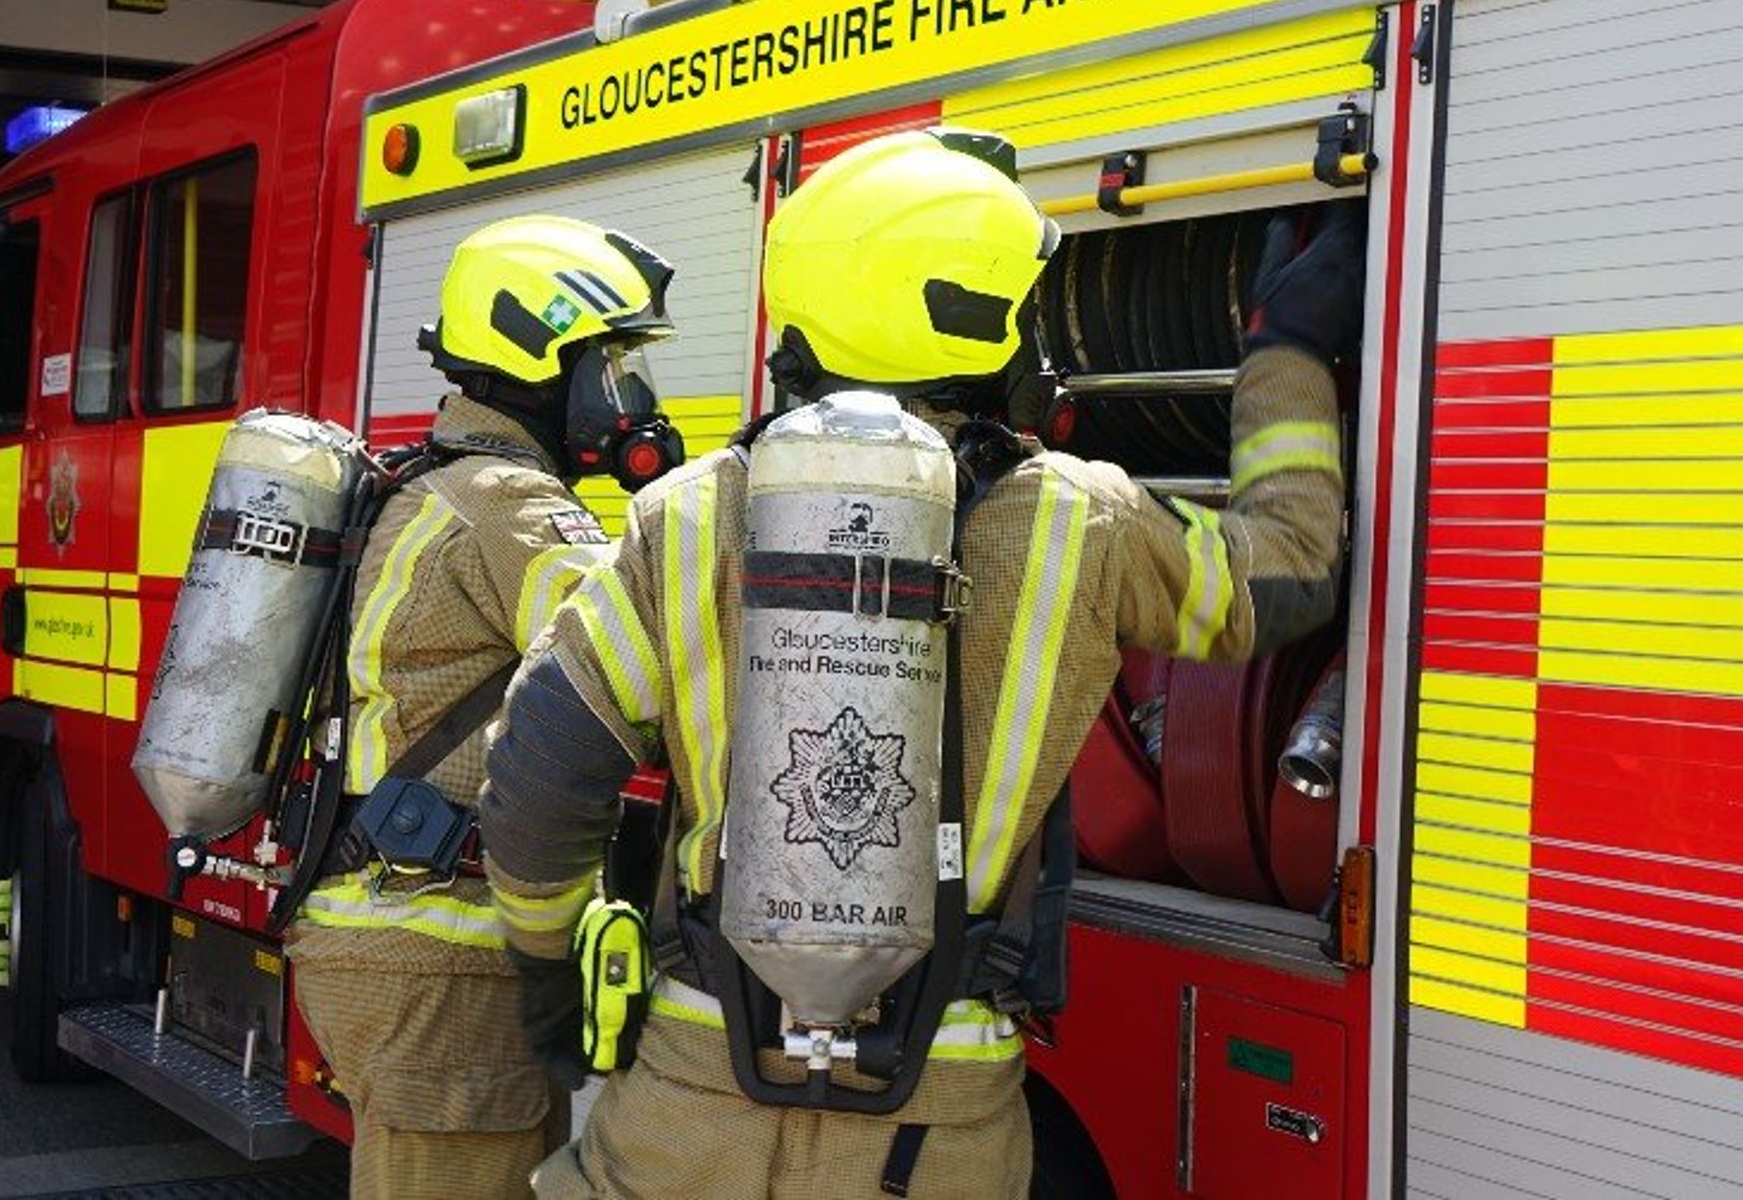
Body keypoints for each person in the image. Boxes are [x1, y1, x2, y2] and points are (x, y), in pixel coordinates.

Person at [478, 128, 1362, 1197]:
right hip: (931, 1122)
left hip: (688, 1099)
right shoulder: (1083, 522)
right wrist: (1287, 352)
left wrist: (544, 973)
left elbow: (539, 768)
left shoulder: (690, 510)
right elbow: (1288, 571)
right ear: (971, 320)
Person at [284, 214, 685, 1199]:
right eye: (614, 359)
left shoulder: (444, 484)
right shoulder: (509, 503)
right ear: (551, 357)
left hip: (412, 937)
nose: (629, 390)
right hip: (438, 950)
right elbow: (652, 669)